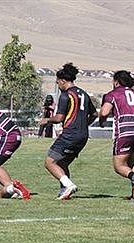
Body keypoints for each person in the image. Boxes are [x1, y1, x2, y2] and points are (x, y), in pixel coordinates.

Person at [39, 63, 98, 200]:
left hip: (70, 135)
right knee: (62, 163)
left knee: (49, 162)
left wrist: (47, 120)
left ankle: (69, 185)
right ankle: (64, 190)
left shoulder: (66, 95)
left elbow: (59, 118)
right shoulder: (84, 94)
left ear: (63, 81)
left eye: (57, 82)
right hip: (83, 136)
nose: (58, 85)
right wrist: (83, 125)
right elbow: (94, 114)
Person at [99, 70, 134, 200]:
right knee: (133, 163)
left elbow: (105, 112)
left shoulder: (112, 94)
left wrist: (101, 120)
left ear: (116, 82)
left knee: (119, 166)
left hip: (125, 132)